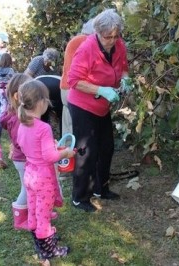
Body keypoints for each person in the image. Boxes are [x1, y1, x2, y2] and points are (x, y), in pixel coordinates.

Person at [67, 9, 129, 212]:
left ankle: (101, 189)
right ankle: (79, 197)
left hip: (102, 107)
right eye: (107, 37)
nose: (111, 40)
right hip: (82, 106)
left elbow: (123, 67)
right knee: (87, 151)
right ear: (98, 33)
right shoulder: (86, 49)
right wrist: (100, 89)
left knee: (107, 147)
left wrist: (125, 79)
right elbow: (74, 80)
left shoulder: (119, 45)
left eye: (115, 36)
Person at [16, 80, 75, 261]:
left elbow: (25, 145)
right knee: (44, 216)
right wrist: (65, 152)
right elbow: (50, 157)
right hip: (43, 178)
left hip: (30, 174)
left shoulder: (22, 124)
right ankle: (49, 250)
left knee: (34, 210)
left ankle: (39, 241)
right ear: (41, 102)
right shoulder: (43, 127)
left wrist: (50, 147)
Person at [0, 73, 32, 230]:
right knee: (26, 188)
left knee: (29, 187)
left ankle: (32, 212)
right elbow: (21, 142)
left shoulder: (16, 113)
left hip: (22, 158)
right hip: (24, 159)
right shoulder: (19, 118)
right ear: (19, 96)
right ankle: (19, 220)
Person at [60, 19, 94, 136]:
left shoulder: (75, 40)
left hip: (65, 86)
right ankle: (75, 153)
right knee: (78, 127)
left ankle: (66, 152)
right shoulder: (86, 41)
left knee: (68, 124)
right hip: (75, 88)